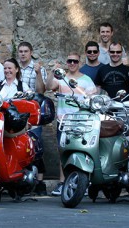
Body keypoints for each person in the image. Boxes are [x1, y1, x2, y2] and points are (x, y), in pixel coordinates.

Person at [46, 52, 97, 196]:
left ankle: (83, 182)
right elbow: (49, 86)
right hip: (64, 121)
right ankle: (63, 183)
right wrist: (52, 71)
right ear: (66, 62)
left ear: (79, 62)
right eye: (70, 61)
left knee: (82, 151)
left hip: (81, 121)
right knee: (63, 151)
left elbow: (93, 99)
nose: (72, 63)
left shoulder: (86, 80)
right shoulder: (61, 78)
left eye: (75, 61)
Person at [17, 41, 47, 195]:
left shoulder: (37, 68)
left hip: (33, 115)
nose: (23, 54)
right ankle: (20, 180)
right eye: (20, 51)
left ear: (31, 52)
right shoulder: (15, 68)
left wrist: (38, 74)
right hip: (16, 114)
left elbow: (41, 91)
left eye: (26, 51)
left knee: (35, 146)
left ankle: (40, 182)